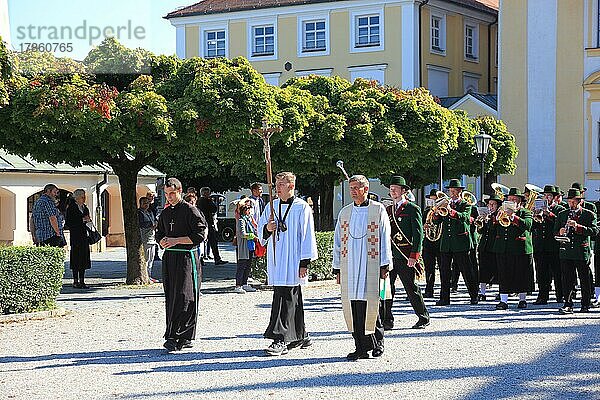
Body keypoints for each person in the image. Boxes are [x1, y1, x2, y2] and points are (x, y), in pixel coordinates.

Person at [258, 172, 318, 356]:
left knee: (287, 298)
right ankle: (301, 334)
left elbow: (308, 236)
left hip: (293, 260)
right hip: (278, 259)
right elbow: (261, 231)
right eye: (276, 183)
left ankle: (280, 338)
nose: (278, 187)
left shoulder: (301, 207)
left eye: (282, 184)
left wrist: (304, 263)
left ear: (291, 186)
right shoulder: (272, 206)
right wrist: (267, 229)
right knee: (291, 297)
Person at [333, 175, 392, 360]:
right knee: (354, 306)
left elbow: (384, 236)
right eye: (350, 188)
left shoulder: (377, 209)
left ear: (365, 189)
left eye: (356, 188)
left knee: (372, 304)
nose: (353, 192)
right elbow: (337, 241)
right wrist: (337, 268)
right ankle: (360, 345)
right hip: (350, 265)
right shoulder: (345, 212)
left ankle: (377, 343)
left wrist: (385, 263)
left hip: (371, 265)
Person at [156, 178, 208, 351]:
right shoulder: (165, 213)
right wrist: (162, 241)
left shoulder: (190, 210)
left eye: (172, 193)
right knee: (171, 295)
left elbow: (200, 235)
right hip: (170, 258)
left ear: (179, 191)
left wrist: (176, 240)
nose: (169, 197)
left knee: (185, 296)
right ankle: (171, 334)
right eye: (166, 194)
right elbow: (160, 233)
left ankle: (184, 335)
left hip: (187, 258)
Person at [381, 176, 428, 330]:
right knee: (386, 289)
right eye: (391, 188)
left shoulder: (412, 209)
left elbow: (418, 234)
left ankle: (423, 317)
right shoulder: (388, 210)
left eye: (395, 188)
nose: (392, 191)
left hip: (405, 255)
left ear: (404, 191)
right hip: (390, 255)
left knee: (411, 288)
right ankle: (387, 319)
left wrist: (414, 255)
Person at [432, 179, 478, 306]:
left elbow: (464, 217)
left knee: (466, 270)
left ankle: (474, 295)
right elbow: (437, 222)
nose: (451, 193)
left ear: (459, 192)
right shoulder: (444, 204)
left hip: (461, 242)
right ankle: (444, 298)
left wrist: (450, 210)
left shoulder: (466, 204)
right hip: (446, 243)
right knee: (444, 272)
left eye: (454, 191)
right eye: (450, 191)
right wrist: (436, 214)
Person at [554, 188, 598, 314]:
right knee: (567, 279)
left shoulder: (588, 214)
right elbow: (555, 231)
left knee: (584, 279)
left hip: (581, 251)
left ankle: (585, 303)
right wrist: (560, 232)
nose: (571, 204)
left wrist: (577, 227)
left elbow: (594, 231)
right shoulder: (562, 214)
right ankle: (568, 304)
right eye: (570, 202)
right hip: (566, 251)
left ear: (579, 202)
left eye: (574, 202)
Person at [492, 187, 533, 310]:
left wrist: (513, 217)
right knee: (503, 274)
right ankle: (503, 301)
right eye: (509, 199)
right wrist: (495, 218)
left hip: (520, 248)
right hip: (503, 248)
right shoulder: (500, 212)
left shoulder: (525, 212)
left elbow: (528, 225)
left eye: (514, 199)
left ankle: (522, 299)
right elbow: (492, 229)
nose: (511, 201)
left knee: (521, 274)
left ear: (519, 201)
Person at [532, 185, 565, 305]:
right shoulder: (537, 208)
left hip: (554, 245)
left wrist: (549, 214)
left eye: (549, 196)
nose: (546, 197)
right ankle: (542, 296)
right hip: (540, 245)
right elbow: (532, 227)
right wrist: (534, 215)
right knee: (541, 272)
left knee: (557, 272)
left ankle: (560, 295)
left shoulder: (559, 209)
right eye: (545, 195)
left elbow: (561, 223)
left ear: (554, 198)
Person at [476, 194, 501, 301]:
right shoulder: (487, 215)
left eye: (493, 204)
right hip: (484, 246)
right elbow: (480, 231)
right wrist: (481, 223)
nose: (490, 206)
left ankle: (501, 292)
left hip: (495, 246)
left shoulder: (500, 215)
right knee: (483, 270)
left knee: (498, 270)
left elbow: (493, 228)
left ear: (498, 206)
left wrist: (488, 220)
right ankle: (482, 292)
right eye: (489, 204)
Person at [65, 189, 92, 289]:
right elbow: (68, 222)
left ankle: (82, 280)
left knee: (84, 259)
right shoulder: (71, 208)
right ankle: (75, 281)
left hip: (84, 236)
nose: (84, 198)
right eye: (82, 197)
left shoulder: (85, 208)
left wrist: (88, 221)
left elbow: (88, 220)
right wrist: (81, 220)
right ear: (76, 198)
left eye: (84, 196)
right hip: (76, 237)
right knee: (76, 258)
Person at [198, 187, 227, 265]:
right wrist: (211, 201)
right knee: (212, 241)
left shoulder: (199, 201)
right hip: (207, 223)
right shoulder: (206, 201)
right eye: (208, 193)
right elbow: (214, 209)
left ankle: (203, 259)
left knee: (203, 242)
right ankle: (216, 258)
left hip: (203, 223)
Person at [31, 183, 66, 248]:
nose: (56, 194)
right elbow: (52, 218)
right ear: (48, 191)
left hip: (40, 236)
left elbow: (32, 220)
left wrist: (33, 235)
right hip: (51, 236)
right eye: (54, 192)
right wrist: (58, 233)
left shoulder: (37, 202)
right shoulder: (48, 201)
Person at [234, 203, 258, 294]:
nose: (251, 212)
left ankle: (244, 283)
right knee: (242, 266)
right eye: (249, 210)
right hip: (244, 246)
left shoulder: (248, 220)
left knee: (248, 266)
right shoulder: (241, 220)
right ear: (245, 211)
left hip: (250, 246)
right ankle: (238, 285)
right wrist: (253, 236)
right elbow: (242, 234)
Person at [422, 189, 440, 298]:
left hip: (440, 242)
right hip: (428, 242)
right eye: (431, 200)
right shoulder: (426, 211)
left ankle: (444, 290)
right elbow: (422, 222)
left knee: (443, 267)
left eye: (435, 200)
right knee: (429, 267)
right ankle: (429, 289)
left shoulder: (442, 211)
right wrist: (425, 225)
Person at [138, 196, 158, 283]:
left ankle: (149, 275)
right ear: (140, 204)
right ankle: (146, 276)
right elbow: (141, 225)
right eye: (144, 203)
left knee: (151, 259)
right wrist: (151, 225)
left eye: (148, 203)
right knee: (146, 259)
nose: (146, 205)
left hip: (152, 238)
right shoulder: (139, 213)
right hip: (145, 238)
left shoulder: (150, 212)